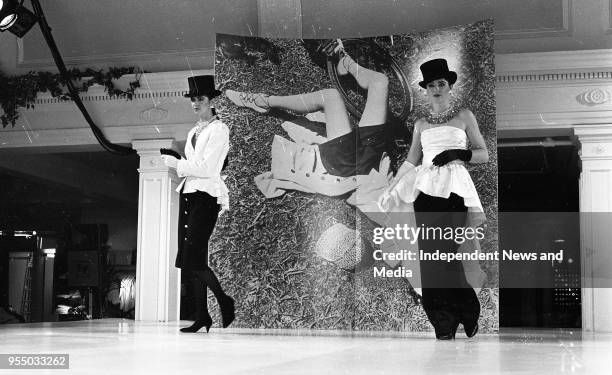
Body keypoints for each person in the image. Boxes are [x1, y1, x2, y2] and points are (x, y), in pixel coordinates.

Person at [379, 58, 488, 339]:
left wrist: (459, 154)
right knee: (429, 257)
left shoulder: (464, 116)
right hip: (425, 191)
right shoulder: (420, 124)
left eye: (442, 83)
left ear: (449, 86)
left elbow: (483, 154)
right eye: (431, 85)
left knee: (447, 254)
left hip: (454, 189)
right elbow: (411, 161)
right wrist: (392, 188)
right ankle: (442, 321)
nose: (437, 88)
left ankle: (467, 311)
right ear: (425, 89)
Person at [225, 39, 393, 198]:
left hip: (346, 164)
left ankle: (262, 101)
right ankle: (345, 63)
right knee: (380, 81)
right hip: (370, 152)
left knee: (330, 96)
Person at [160, 75, 235, 333]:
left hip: (205, 196)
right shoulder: (194, 131)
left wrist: (177, 164)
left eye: (200, 99)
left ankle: (224, 300)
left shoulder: (219, 129)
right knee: (191, 258)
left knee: (192, 257)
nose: (195, 103)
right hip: (189, 194)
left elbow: (208, 168)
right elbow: (194, 166)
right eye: (192, 99)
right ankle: (202, 315)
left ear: (211, 100)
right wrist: (177, 159)